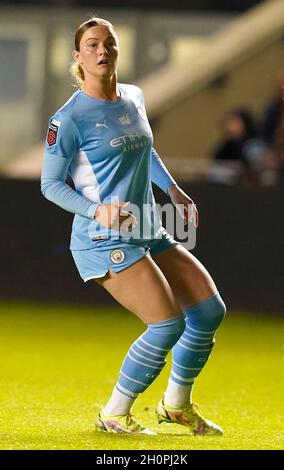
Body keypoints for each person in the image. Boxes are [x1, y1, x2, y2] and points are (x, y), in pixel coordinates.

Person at [41, 16, 226, 436]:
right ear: (78, 57)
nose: (102, 51)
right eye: (91, 45)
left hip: (146, 225)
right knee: (166, 324)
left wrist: (174, 190)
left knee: (209, 310)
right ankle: (114, 414)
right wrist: (96, 211)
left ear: (118, 50)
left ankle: (176, 406)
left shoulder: (134, 97)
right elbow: (49, 184)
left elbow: (147, 150)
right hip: (102, 238)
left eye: (109, 43)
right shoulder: (68, 119)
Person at [208, 108, 271, 186]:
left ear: (244, 123)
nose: (230, 126)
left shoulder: (254, 145)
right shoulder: (227, 144)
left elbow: (260, 168)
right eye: (228, 122)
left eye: (234, 122)